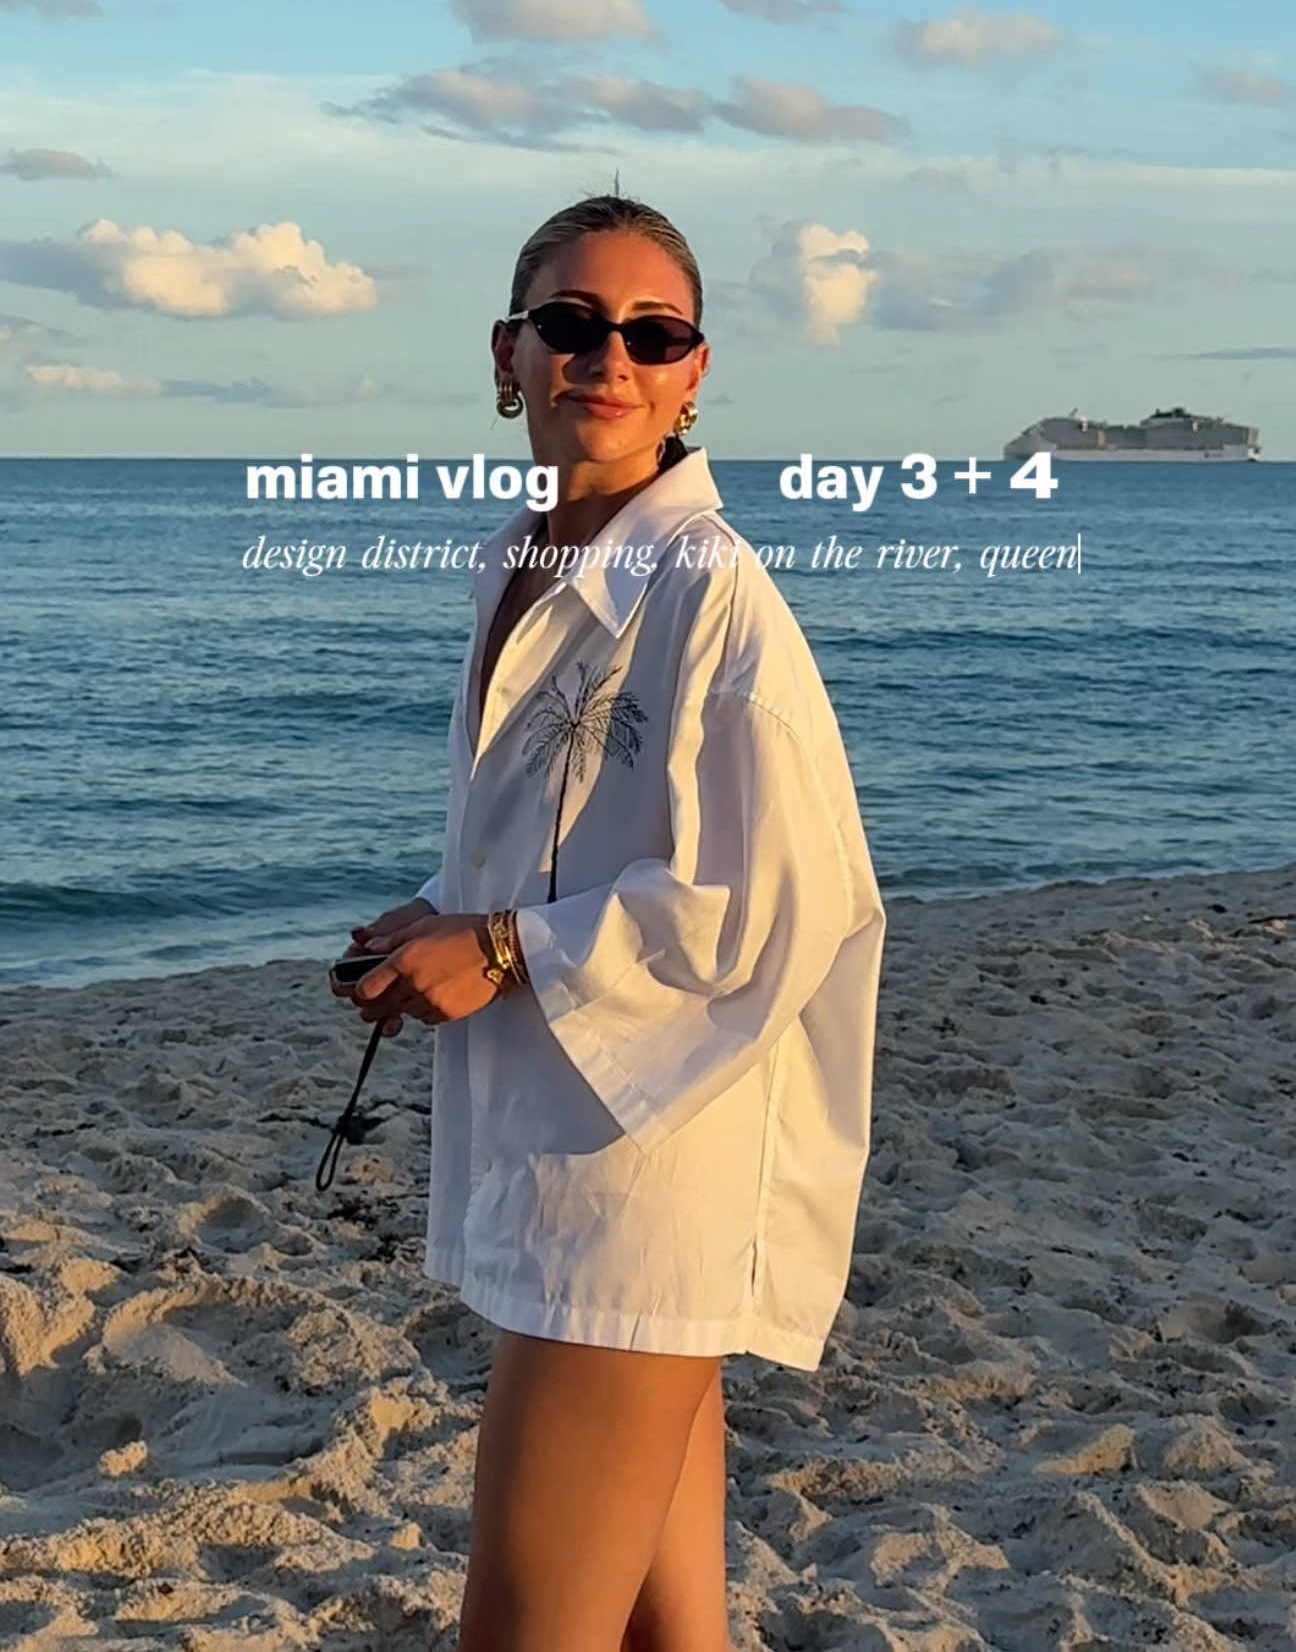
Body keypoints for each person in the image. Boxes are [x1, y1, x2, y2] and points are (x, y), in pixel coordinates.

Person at [331, 191, 886, 1652]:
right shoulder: (523, 560)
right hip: (570, 1132)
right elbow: (568, 831)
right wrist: (450, 916)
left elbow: (775, 902)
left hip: (645, 1167)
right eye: (572, 323)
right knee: (666, 1631)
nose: (608, 358)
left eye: (652, 333)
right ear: (507, 352)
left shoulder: (715, 598)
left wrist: (505, 949)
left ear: (696, 372)